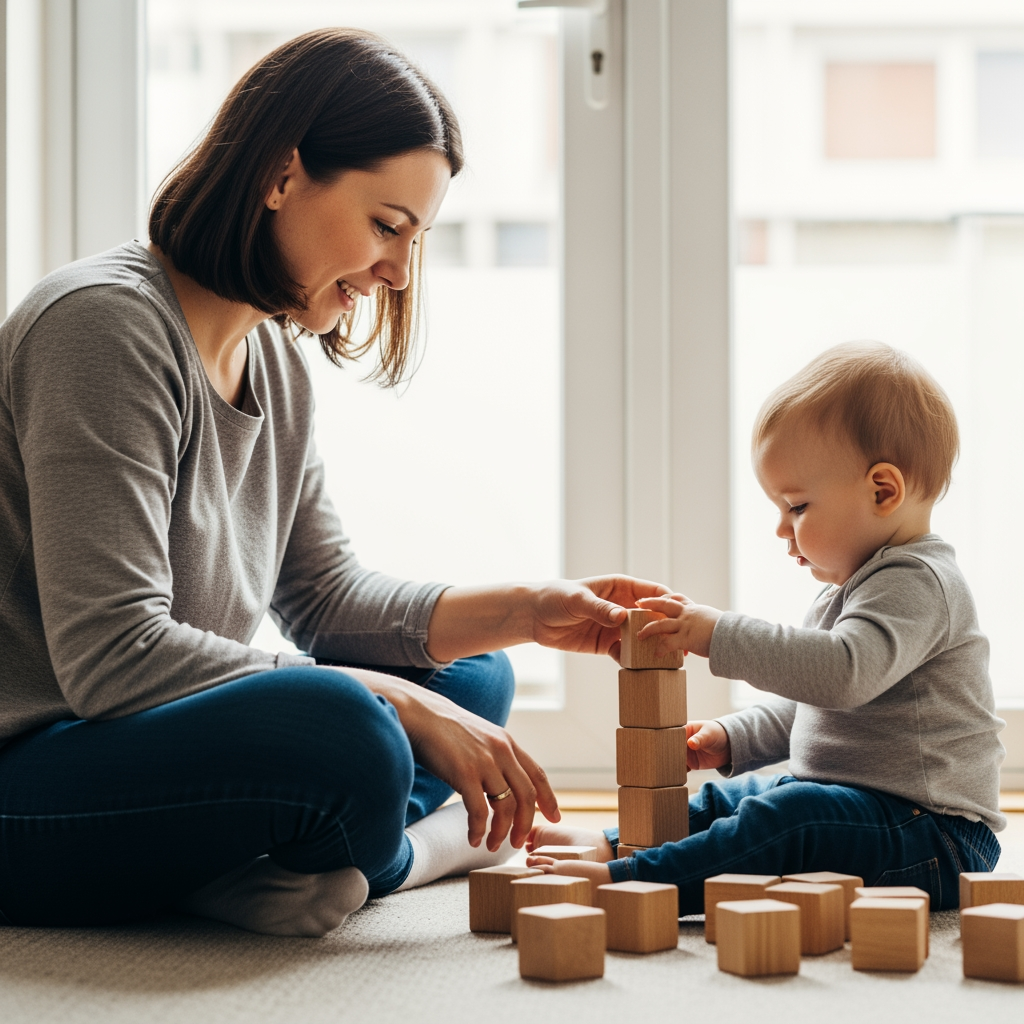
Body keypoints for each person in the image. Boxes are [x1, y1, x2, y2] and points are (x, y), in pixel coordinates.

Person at [0, 28, 666, 936]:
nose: (396, 272)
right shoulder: (101, 329)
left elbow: (323, 597)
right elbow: (111, 655)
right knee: (344, 731)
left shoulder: (273, 358)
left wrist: (527, 609)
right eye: (387, 226)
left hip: (149, 736)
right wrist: (390, 700)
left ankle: (242, 863)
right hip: (37, 762)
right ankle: (415, 854)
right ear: (281, 175)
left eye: (413, 240)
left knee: (474, 675)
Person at [527, 342, 1005, 912]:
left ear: (883, 491)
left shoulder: (919, 582)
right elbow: (822, 708)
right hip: (872, 810)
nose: (782, 529)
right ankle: (614, 842)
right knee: (743, 798)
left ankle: (637, 876)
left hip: (937, 836)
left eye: (797, 508)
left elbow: (841, 677)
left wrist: (716, 634)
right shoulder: (855, 588)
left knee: (787, 817)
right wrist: (735, 738)